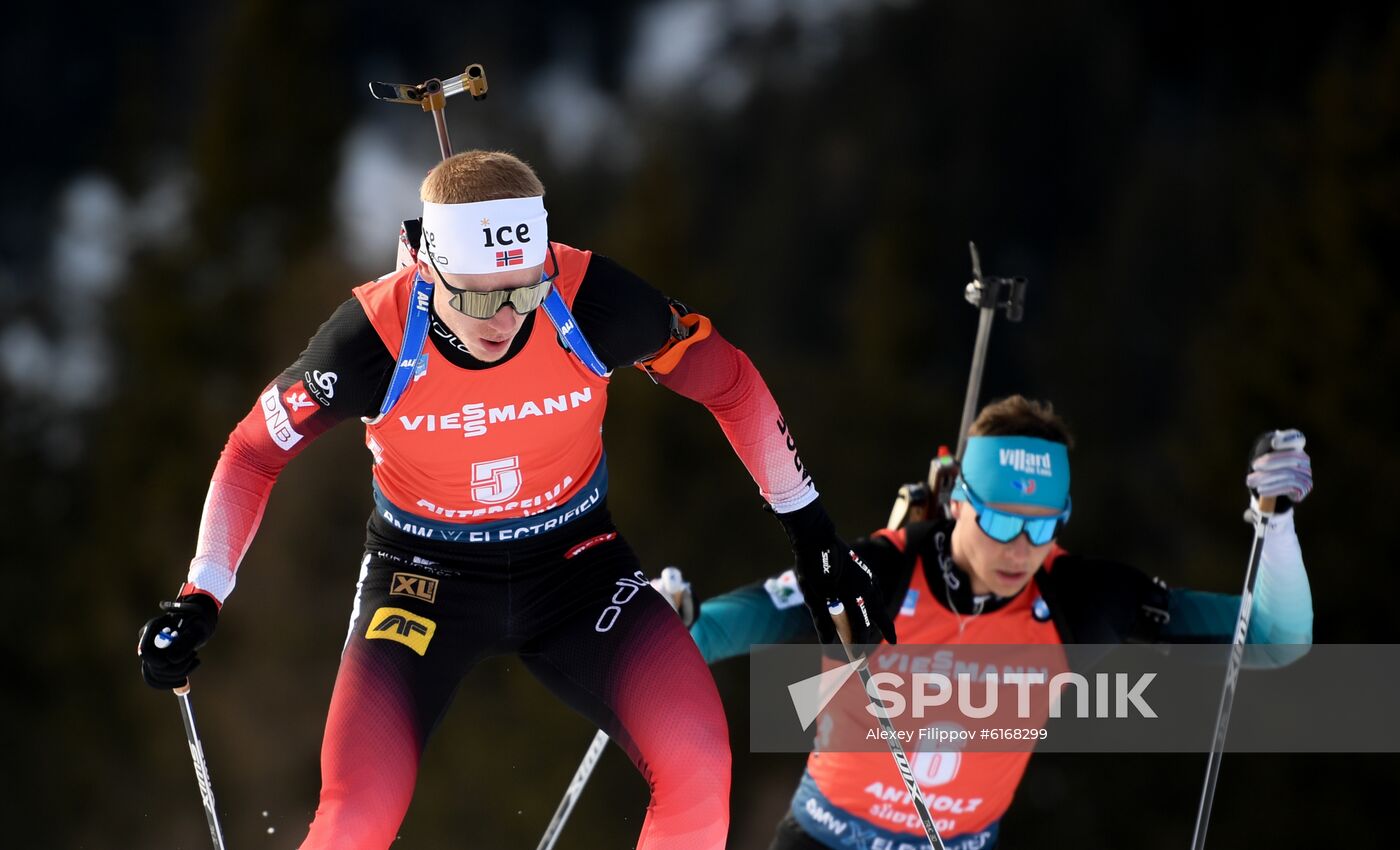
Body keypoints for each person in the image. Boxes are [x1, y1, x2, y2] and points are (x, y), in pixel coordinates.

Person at [135, 150, 894, 849]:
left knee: (699, 760)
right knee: (356, 815)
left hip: (577, 567)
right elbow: (251, 452)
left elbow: (729, 382)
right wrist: (203, 593)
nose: (508, 318)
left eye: (525, 288)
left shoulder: (589, 300)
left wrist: (810, 530)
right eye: (481, 295)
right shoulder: (372, 338)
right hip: (422, 580)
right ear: (429, 270)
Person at [686, 395, 1315, 850]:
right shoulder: (880, 571)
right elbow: (738, 622)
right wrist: (663, 625)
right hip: (827, 839)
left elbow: (1273, 640)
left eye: (1041, 526)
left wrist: (1278, 524)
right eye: (1001, 521)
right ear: (959, 501)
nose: (1019, 549)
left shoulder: (1079, 600)